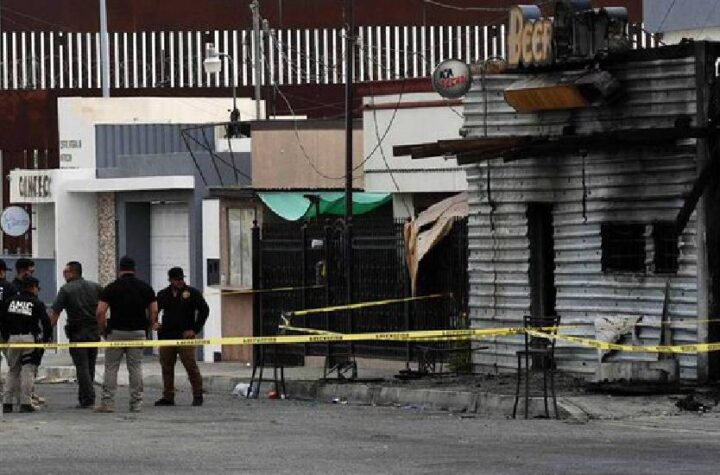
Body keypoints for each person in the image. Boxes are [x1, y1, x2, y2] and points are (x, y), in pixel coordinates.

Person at [95, 256, 157, 413]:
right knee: (135, 367)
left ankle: (108, 403)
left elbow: (100, 311)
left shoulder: (112, 287)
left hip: (116, 332)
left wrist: (102, 329)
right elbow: (154, 310)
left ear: (119, 269)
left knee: (111, 368)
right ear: (134, 269)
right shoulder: (145, 287)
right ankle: (136, 403)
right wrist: (149, 325)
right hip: (138, 332)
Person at [51, 261, 103, 409]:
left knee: (82, 366)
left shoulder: (66, 290)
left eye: (66, 272)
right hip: (93, 331)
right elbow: (103, 308)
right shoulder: (95, 287)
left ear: (73, 272)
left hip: (77, 332)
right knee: (90, 365)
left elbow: (55, 313)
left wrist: (48, 331)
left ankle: (87, 398)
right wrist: (102, 328)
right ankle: (87, 396)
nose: (64, 274)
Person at [155, 267, 209, 407]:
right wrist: (154, 323)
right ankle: (168, 396)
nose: (180, 282)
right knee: (167, 367)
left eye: (181, 279)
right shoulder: (163, 294)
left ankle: (198, 394)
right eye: (177, 279)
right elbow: (154, 310)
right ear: (170, 280)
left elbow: (204, 310)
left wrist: (195, 329)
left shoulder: (191, 293)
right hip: (167, 336)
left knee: (191, 366)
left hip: (185, 336)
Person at [0, 277, 52, 413]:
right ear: (33, 288)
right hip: (29, 338)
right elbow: (46, 323)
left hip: (12, 338)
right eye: (37, 288)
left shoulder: (10, 301)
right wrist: (46, 339)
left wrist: (6, 337)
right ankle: (25, 402)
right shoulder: (36, 303)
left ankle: (7, 402)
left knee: (13, 370)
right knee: (28, 370)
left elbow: (2, 321)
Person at [0, 259, 18, 410]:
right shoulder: (9, 287)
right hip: (5, 330)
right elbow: (14, 310)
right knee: (14, 365)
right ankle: (20, 397)